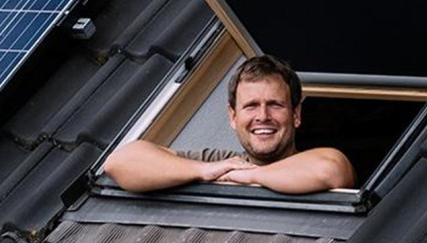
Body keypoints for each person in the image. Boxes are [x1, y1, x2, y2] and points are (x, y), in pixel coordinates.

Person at [104, 54, 355, 193]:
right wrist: (202, 171)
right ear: (233, 117)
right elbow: (121, 162)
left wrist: (247, 177)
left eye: (275, 105)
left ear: (296, 115)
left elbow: (330, 170)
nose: (263, 116)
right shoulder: (217, 162)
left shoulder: (310, 162)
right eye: (251, 106)